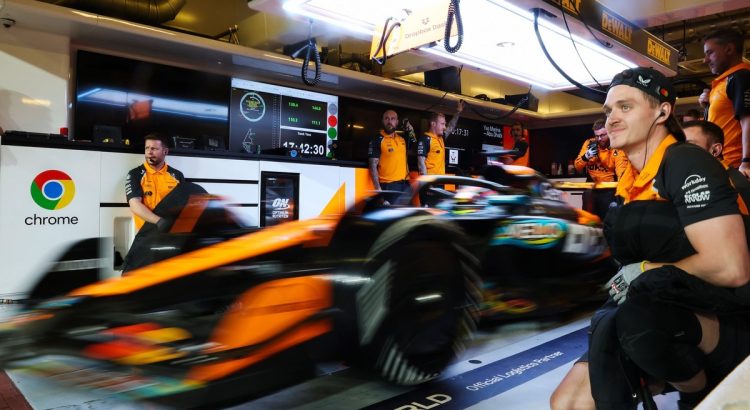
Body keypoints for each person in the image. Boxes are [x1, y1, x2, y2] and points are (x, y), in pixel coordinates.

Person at [551, 67, 750, 410]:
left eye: (625, 107)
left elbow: (730, 268)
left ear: (662, 111)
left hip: (716, 315)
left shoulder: (685, 160)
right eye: (609, 110)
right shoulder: (630, 177)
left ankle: (697, 390)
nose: (611, 119)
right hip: (648, 306)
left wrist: (645, 270)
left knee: (639, 322)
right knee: (568, 403)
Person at [122, 132, 185, 272]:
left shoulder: (177, 175)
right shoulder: (135, 174)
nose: (149, 152)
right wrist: (159, 222)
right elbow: (135, 205)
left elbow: (184, 205)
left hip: (170, 236)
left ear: (165, 151)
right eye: (147, 148)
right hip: (145, 236)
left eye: (154, 149)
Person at [698, 28, 750, 176]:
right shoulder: (726, 81)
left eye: (710, 53)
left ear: (729, 49)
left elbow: (748, 120)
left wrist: (746, 161)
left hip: (736, 167)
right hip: (720, 165)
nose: (705, 60)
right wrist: (708, 105)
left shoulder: (741, 77)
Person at [573, 118, 629, 219]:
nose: (599, 139)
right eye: (597, 136)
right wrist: (586, 156)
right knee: (588, 218)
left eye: (602, 135)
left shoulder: (616, 148)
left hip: (609, 188)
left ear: (609, 133)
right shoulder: (589, 143)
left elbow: (621, 172)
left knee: (607, 218)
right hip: (591, 186)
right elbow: (577, 166)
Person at [368, 109, 415, 204]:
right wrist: (378, 190)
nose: (390, 121)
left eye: (393, 119)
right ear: (382, 121)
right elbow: (372, 166)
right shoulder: (377, 140)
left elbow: (415, 148)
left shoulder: (402, 139)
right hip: (389, 186)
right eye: (387, 118)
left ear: (397, 122)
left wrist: (411, 131)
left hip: (406, 185)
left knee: (408, 212)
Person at [417, 100, 464, 176]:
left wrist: (458, 112)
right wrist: (426, 182)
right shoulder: (425, 140)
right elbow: (421, 164)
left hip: (440, 180)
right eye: (442, 124)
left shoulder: (441, 138)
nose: (444, 127)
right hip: (430, 181)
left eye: (445, 124)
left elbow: (451, 127)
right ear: (433, 124)